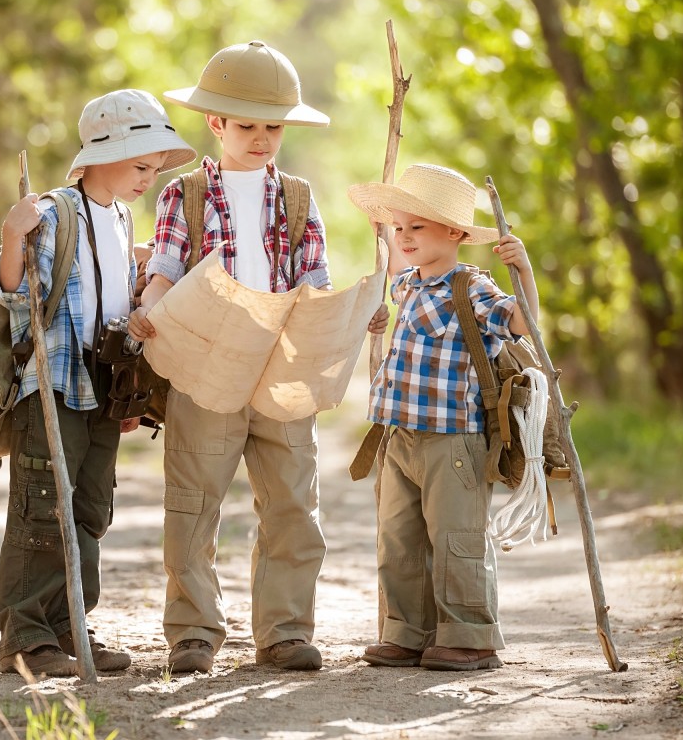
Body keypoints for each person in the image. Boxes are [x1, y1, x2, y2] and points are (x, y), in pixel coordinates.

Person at [127, 40, 388, 674]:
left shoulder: (297, 198)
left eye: (274, 127)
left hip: (283, 366)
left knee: (294, 503)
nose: (262, 139)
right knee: (194, 500)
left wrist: (351, 316)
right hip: (206, 361)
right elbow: (164, 267)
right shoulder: (182, 196)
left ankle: (285, 630)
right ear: (215, 123)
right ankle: (193, 630)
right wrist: (148, 313)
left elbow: (314, 281)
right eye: (247, 126)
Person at [0, 89, 195, 676]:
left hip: (103, 386)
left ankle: (70, 623)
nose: (148, 178)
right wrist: (11, 239)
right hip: (54, 385)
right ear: (101, 155)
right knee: (42, 505)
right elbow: (11, 292)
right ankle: (25, 636)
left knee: (89, 508)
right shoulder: (53, 212)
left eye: (155, 169)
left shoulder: (124, 218)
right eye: (140, 165)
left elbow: (114, 303)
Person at [347, 163, 539, 671]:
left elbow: (522, 323)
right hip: (400, 435)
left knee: (456, 538)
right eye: (399, 227)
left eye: (418, 228)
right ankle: (406, 631)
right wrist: (380, 259)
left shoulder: (470, 286)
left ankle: (470, 635)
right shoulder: (407, 284)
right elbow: (388, 271)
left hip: (453, 440)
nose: (404, 237)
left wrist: (524, 274)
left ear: (454, 233)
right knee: (399, 537)